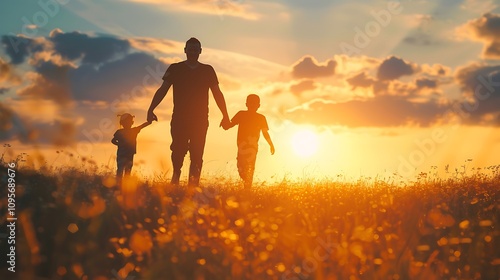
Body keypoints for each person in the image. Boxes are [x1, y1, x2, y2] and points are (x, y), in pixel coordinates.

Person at [147, 37, 230, 186]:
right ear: (185, 50)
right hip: (179, 118)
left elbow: (217, 93)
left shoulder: (208, 70)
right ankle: (176, 176)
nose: (192, 52)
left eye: (195, 49)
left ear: (200, 51)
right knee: (178, 150)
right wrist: (151, 109)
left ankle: (193, 186)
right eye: (190, 49)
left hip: (200, 120)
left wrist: (225, 115)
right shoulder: (175, 69)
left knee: (197, 154)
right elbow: (163, 90)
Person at [225, 94, 275, 188]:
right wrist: (225, 122)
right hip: (241, 147)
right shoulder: (241, 114)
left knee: (250, 168)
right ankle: (246, 182)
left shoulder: (261, 118)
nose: (252, 105)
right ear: (246, 104)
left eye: (255, 104)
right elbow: (230, 125)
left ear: (258, 105)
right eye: (250, 103)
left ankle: (247, 189)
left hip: (253, 147)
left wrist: (271, 144)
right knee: (241, 168)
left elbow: (265, 133)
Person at [111, 113, 151, 185]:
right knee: (125, 170)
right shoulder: (132, 131)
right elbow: (142, 126)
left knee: (123, 170)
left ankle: (120, 185)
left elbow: (113, 141)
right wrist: (149, 122)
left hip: (124, 154)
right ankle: (121, 185)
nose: (128, 124)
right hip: (127, 154)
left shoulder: (120, 132)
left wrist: (119, 144)